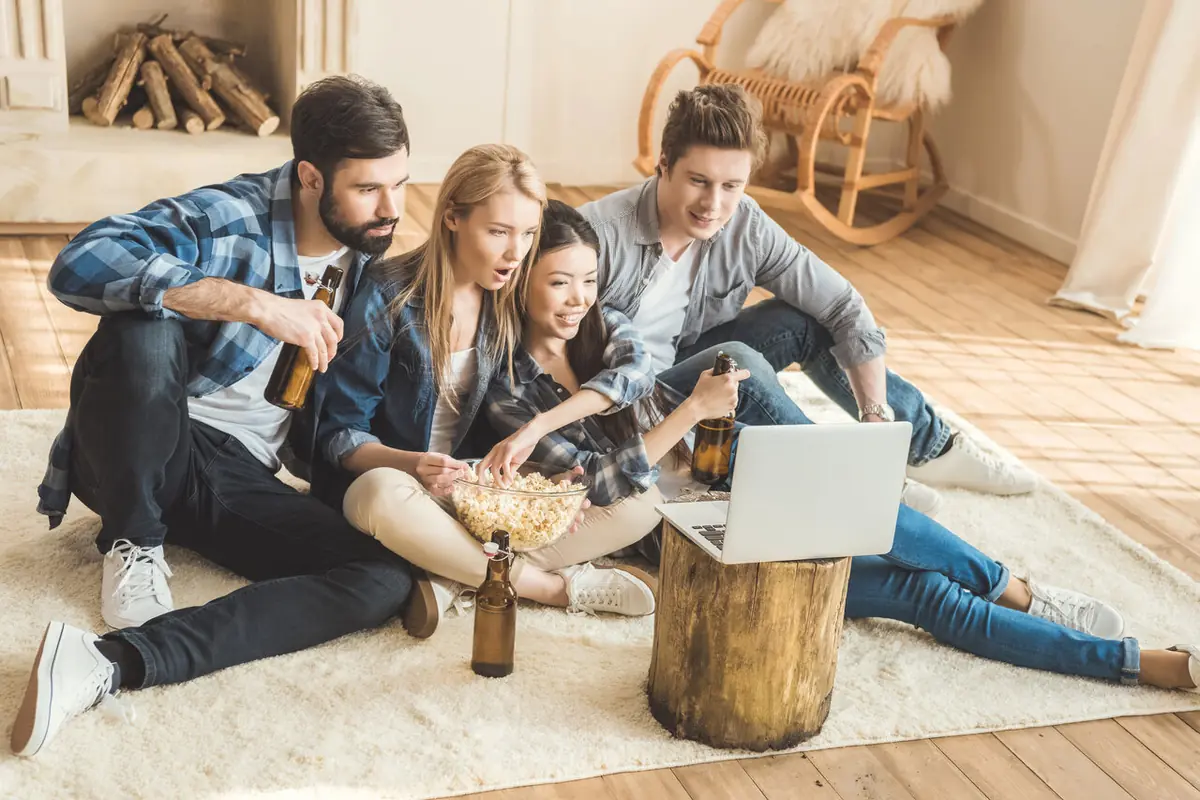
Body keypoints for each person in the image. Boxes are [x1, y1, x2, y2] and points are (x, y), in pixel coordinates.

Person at [484, 200, 1200, 695]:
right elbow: (604, 488)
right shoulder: (508, 392)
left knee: (872, 516)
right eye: (558, 283)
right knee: (922, 594)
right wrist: (677, 414)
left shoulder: (607, 329)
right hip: (686, 548)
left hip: (725, 475)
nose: (579, 298)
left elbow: (640, 370)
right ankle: (1130, 663)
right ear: (520, 286)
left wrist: (657, 414)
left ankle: (1024, 591)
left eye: (588, 279)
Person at [12, 75, 415, 758]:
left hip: (231, 475)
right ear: (311, 177)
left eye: (401, 184)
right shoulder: (235, 214)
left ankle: (111, 660)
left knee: (382, 580)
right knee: (144, 324)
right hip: (140, 441)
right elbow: (78, 262)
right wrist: (249, 302)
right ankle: (133, 539)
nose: (391, 208)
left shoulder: (369, 266)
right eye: (369, 189)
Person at [577, 85, 1038, 517]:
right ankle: (851, 479)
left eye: (731, 186)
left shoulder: (745, 227)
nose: (713, 204)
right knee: (738, 361)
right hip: (629, 402)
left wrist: (874, 414)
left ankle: (928, 448)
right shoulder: (599, 235)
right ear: (663, 164)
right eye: (699, 181)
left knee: (804, 321)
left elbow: (842, 306)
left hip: (681, 364)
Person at [315, 144, 658, 640]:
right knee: (377, 494)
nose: (515, 252)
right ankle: (548, 587)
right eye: (498, 232)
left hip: (471, 496)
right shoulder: (389, 296)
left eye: (527, 234)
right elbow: (337, 437)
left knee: (642, 503)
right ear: (453, 217)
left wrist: (545, 487)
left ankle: (449, 573)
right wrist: (413, 464)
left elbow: (543, 394)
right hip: (398, 485)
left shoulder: (508, 301)